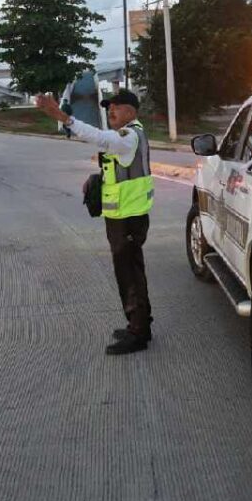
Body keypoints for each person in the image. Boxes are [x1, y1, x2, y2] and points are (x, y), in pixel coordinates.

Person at [35, 89, 154, 355]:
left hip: (128, 218)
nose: (111, 110)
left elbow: (98, 136)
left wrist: (65, 119)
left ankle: (138, 333)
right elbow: (111, 159)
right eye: (108, 106)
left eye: (117, 106)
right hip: (123, 215)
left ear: (131, 111)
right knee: (131, 273)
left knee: (130, 275)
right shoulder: (127, 136)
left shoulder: (129, 136)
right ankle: (139, 323)